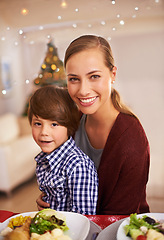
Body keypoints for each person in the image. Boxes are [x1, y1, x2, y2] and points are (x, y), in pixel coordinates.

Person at [36, 35, 150, 215]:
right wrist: (51, 198)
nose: (83, 90)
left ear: (113, 74)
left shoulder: (131, 140)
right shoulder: (72, 122)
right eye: (74, 79)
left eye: (94, 76)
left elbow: (118, 218)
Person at [28, 86, 98, 215]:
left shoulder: (78, 165)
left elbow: (83, 218)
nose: (44, 132)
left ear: (69, 126)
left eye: (54, 124)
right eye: (38, 123)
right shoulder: (43, 159)